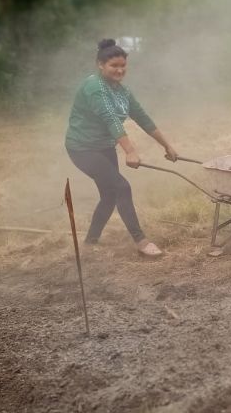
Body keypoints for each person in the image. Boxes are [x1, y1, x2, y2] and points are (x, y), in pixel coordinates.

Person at [65, 39, 178, 257]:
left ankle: (90, 242)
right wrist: (130, 150)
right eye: (114, 66)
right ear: (100, 65)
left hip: (104, 146)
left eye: (123, 66)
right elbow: (111, 120)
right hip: (82, 148)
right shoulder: (94, 88)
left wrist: (167, 146)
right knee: (121, 187)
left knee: (109, 194)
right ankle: (141, 241)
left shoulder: (122, 91)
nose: (119, 70)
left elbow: (142, 118)